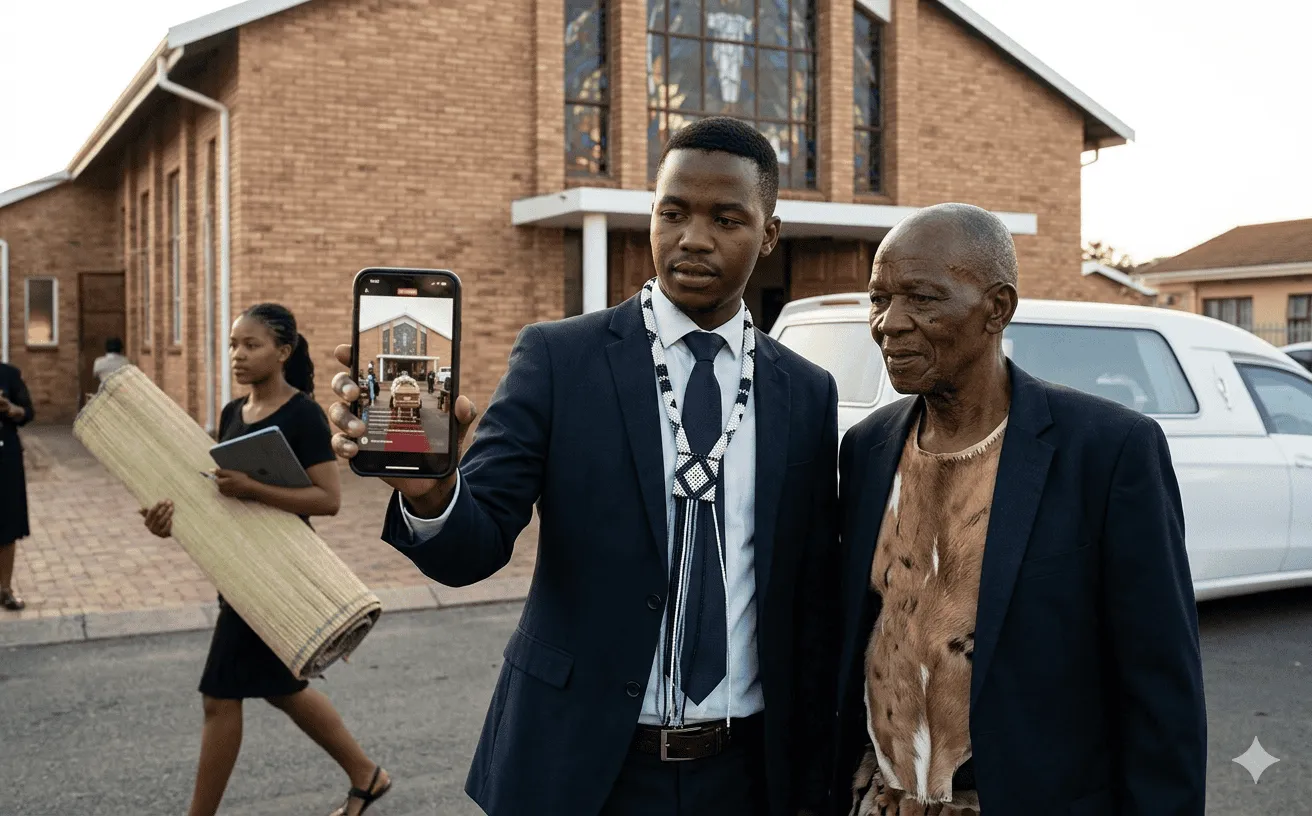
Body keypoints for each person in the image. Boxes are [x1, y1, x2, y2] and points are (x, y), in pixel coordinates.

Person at [328, 117, 841, 816]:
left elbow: (810, 599)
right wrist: (432, 490)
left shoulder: (807, 392)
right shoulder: (558, 360)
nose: (694, 237)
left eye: (727, 218)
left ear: (769, 234)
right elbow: (472, 549)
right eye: (674, 212)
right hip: (581, 771)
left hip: (747, 776)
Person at [828, 204, 1206, 814]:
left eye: (921, 298)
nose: (889, 323)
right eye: (878, 298)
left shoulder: (1108, 452)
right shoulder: (867, 449)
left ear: (997, 308)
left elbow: (1161, 685)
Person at [140, 303, 392, 816]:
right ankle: (367, 775)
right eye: (234, 344)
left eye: (250, 345)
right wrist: (166, 520)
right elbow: (214, 493)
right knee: (281, 689)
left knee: (219, 696)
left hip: (277, 574)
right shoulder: (234, 414)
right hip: (238, 569)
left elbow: (329, 499)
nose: (237, 354)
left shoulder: (301, 415)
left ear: (282, 352)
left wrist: (253, 488)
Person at [0, 363, 36, 611]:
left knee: (7, 524)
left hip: (5, 459)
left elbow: (29, 412)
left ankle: (5, 590)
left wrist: (12, 410)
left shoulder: (9, 375)